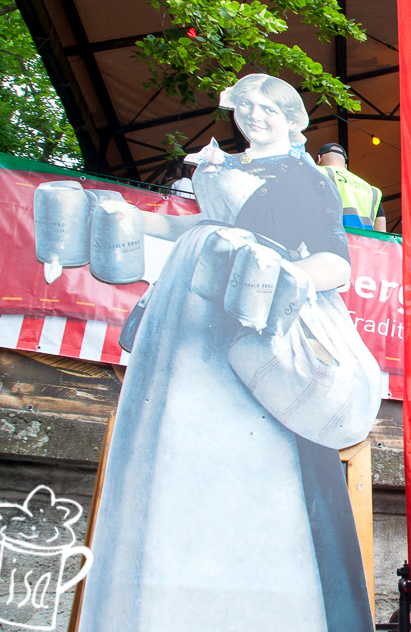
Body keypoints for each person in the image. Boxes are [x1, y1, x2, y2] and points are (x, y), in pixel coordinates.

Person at [71, 74, 384, 631]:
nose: (255, 114)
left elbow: (336, 262)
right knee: (169, 449)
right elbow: (197, 227)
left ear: (292, 120)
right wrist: (124, 216)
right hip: (184, 318)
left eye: (269, 107)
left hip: (253, 319)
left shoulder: (304, 178)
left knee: (247, 464)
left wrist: (277, 282)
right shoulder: (223, 168)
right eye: (246, 106)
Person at [316, 141, 386, 231]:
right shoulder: (373, 191)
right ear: (345, 166)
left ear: (319, 159)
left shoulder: (319, 172)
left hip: (333, 241)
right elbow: (381, 233)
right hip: (363, 244)